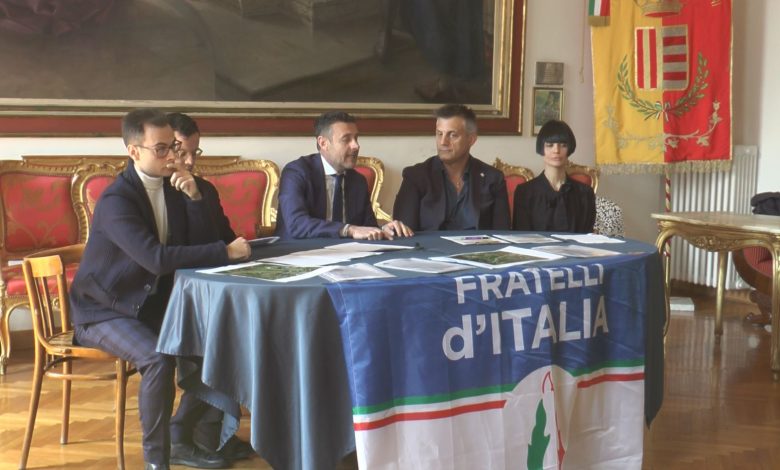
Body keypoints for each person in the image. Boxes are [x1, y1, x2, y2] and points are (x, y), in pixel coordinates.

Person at [69, 108, 251, 470]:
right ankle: (157, 462)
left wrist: (195, 198)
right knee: (156, 358)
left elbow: (201, 246)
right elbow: (155, 258)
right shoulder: (117, 199)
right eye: (161, 149)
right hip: (103, 310)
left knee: (225, 341)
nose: (172, 157)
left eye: (173, 147)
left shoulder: (173, 188)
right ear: (133, 151)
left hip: (149, 305)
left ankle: (189, 435)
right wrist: (225, 251)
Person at [167, 112, 254, 463]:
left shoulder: (204, 188)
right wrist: (192, 199)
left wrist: (197, 198)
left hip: (206, 290)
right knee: (224, 336)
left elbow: (221, 238)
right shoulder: (153, 193)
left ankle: (209, 434)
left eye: (195, 153)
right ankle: (180, 432)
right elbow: (180, 252)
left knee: (242, 327)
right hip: (168, 296)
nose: (189, 162)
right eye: (181, 152)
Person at [275, 111, 413, 240]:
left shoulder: (358, 180)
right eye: (346, 139)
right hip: (299, 251)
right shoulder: (296, 173)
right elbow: (297, 224)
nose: (356, 146)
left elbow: (366, 227)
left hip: (347, 253)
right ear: (323, 143)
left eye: (356, 138)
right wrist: (348, 230)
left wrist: (383, 229)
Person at [392, 104, 510, 231]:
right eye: (439, 134)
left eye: (452, 135)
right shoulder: (415, 177)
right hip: (428, 244)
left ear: (471, 139)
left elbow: (503, 234)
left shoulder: (493, 179)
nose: (443, 142)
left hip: (479, 244)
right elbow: (403, 233)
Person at [513, 120, 595, 233]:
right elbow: (521, 236)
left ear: (569, 149)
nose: (556, 150)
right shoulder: (525, 192)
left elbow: (586, 236)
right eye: (550, 145)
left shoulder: (585, 193)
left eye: (563, 145)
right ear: (541, 149)